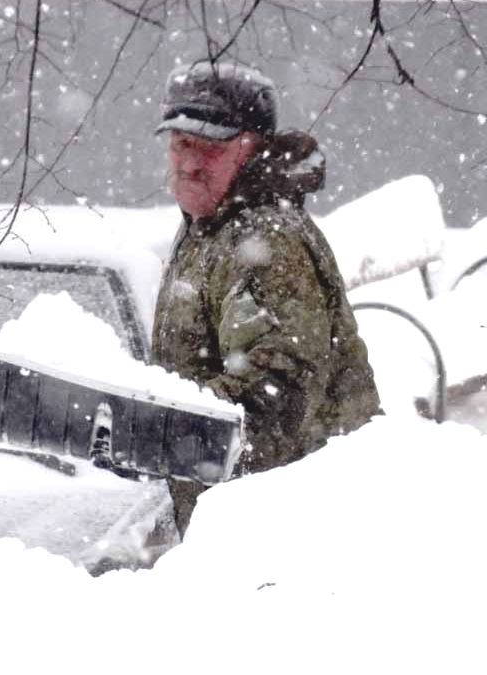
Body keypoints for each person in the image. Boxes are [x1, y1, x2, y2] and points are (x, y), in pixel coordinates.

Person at [151, 61, 382, 535]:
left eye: (211, 148)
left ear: (251, 149)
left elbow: (277, 403)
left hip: (296, 530)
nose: (190, 162)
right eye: (181, 144)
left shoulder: (267, 242)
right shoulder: (210, 223)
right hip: (241, 521)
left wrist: (156, 430)